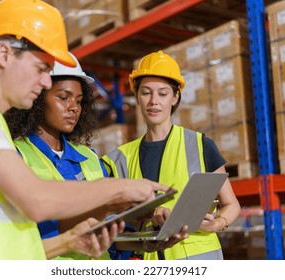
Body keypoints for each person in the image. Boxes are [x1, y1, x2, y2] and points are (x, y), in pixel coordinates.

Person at [0, 0, 169, 260]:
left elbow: (6, 244)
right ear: (4, 54)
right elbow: (36, 201)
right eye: (41, 68)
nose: (46, 81)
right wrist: (120, 188)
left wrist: (68, 242)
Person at [4, 53, 188, 260]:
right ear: (37, 97)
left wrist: (145, 241)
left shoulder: (89, 158)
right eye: (63, 98)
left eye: (79, 100)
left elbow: (111, 232)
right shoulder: (14, 156)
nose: (73, 107)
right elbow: (26, 236)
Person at [102, 50, 241, 260]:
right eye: (146, 92)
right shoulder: (119, 159)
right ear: (137, 97)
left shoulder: (200, 145)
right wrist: (145, 218)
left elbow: (231, 204)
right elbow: (116, 221)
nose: (153, 101)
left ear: (175, 97)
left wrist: (217, 224)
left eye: (163, 93)